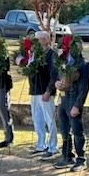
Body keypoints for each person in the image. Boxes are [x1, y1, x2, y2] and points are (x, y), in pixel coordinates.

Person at [54, 42, 89, 172]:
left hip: (74, 98)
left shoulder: (83, 64)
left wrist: (77, 105)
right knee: (64, 129)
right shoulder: (65, 62)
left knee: (76, 129)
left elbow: (84, 88)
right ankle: (67, 155)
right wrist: (57, 83)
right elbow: (59, 76)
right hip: (63, 98)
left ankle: (81, 159)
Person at [28, 31, 59, 159]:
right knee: (37, 119)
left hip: (45, 91)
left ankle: (53, 146)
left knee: (49, 119)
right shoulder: (34, 53)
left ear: (45, 40)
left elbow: (54, 74)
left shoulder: (51, 54)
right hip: (34, 90)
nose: (36, 42)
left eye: (38, 40)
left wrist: (48, 90)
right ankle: (41, 144)